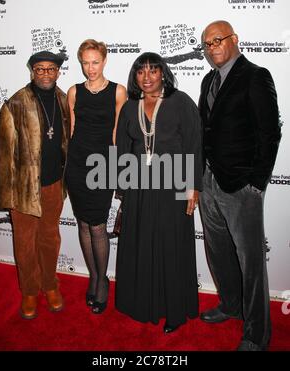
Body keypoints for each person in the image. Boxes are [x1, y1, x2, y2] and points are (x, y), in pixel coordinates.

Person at [198, 20, 281, 351]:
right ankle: (231, 305)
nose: (213, 46)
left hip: (241, 186)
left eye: (218, 40)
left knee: (251, 263)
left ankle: (257, 333)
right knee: (219, 254)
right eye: (207, 43)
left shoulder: (256, 75)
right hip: (208, 181)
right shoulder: (208, 80)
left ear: (235, 39)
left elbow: (270, 132)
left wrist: (256, 183)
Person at [115, 52, 202, 333]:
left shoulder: (181, 102)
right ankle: (143, 303)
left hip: (174, 185)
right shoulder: (130, 107)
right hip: (139, 188)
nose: (147, 77)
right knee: (141, 241)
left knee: (171, 244)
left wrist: (193, 187)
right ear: (135, 76)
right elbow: (124, 152)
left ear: (163, 73)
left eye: (153, 70)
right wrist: (124, 193)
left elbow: (194, 145)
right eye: (141, 72)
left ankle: (174, 311)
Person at [0, 51, 70, 319]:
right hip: (23, 189)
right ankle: (29, 290)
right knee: (25, 243)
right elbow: (4, 155)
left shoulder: (65, 100)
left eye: (51, 69)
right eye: (40, 69)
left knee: (50, 239)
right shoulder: (15, 103)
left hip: (54, 185)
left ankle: (50, 285)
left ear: (58, 71)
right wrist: (8, 197)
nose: (46, 73)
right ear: (32, 71)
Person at [65, 39, 127, 314]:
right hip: (77, 165)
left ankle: (102, 281)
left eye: (95, 62)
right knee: (82, 224)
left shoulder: (118, 92)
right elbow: (71, 132)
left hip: (102, 165)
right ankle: (93, 275)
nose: (90, 68)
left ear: (105, 60)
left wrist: (119, 174)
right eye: (85, 63)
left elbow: (118, 135)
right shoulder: (74, 92)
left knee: (98, 226)